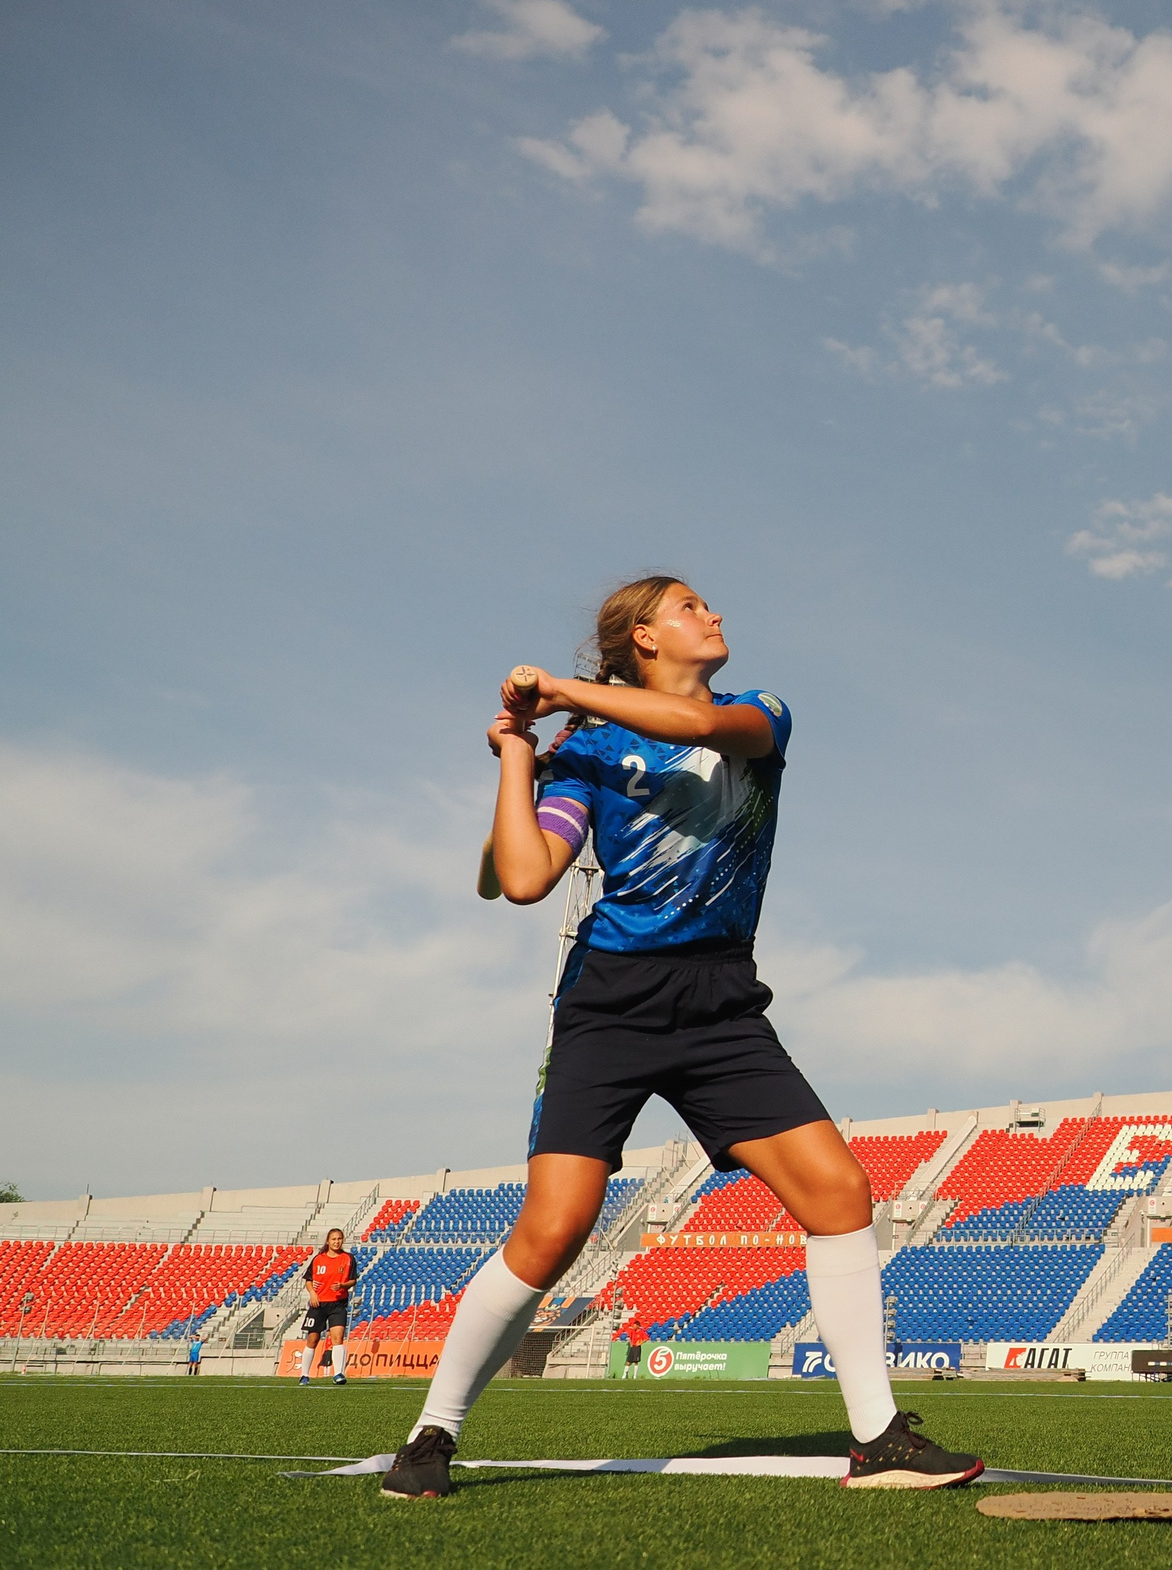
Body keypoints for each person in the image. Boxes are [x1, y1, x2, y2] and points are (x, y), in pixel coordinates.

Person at [379, 576, 979, 1501]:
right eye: (693, 605)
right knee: (553, 1228)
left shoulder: (758, 714)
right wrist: (515, 751)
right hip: (609, 1003)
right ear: (646, 634)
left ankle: (879, 1438)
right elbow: (529, 875)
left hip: (722, 1001)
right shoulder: (581, 756)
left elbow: (697, 732)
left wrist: (563, 693)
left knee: (838, 1189)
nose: (717, 615)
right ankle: (430, 1434)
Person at [300, 1229, 355, 1386]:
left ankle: (338, 1374)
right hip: (319, 1304)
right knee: (313, 1338)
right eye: (333, 1239)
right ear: (328, 1241)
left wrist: (343, 1285)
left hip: (338, 1304)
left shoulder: (348, 1259)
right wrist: (312, 1294)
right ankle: (304, 1375)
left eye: (339, 1239)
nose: (336, 1242)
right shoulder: (319, 1259)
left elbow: (353, 1280)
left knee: (337, 1337)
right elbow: (308, 1280)